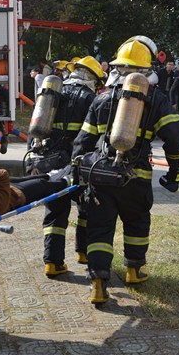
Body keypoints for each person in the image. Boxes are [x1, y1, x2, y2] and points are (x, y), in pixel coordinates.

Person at [72, 36, 179, 305]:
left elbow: (83, 140)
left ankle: (98, 283)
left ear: (117, 67)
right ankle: (134, 271)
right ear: (148, 69)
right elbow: (174, 137)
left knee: (100, 229)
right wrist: (175, 172)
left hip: (101, 176)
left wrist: (77, 172)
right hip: (137, 177)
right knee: (136, 223)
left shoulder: (102, 98)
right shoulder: (156, 99)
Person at [29, 56, 106, 277]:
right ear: (93, 78)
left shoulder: (53, 93)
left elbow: (36, 127)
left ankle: (52, 262)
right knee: (86, 206)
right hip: (78, 161)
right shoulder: (91, 98)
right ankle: (83, 252)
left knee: (55, 211)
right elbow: (95, 135)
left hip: (50, 160)